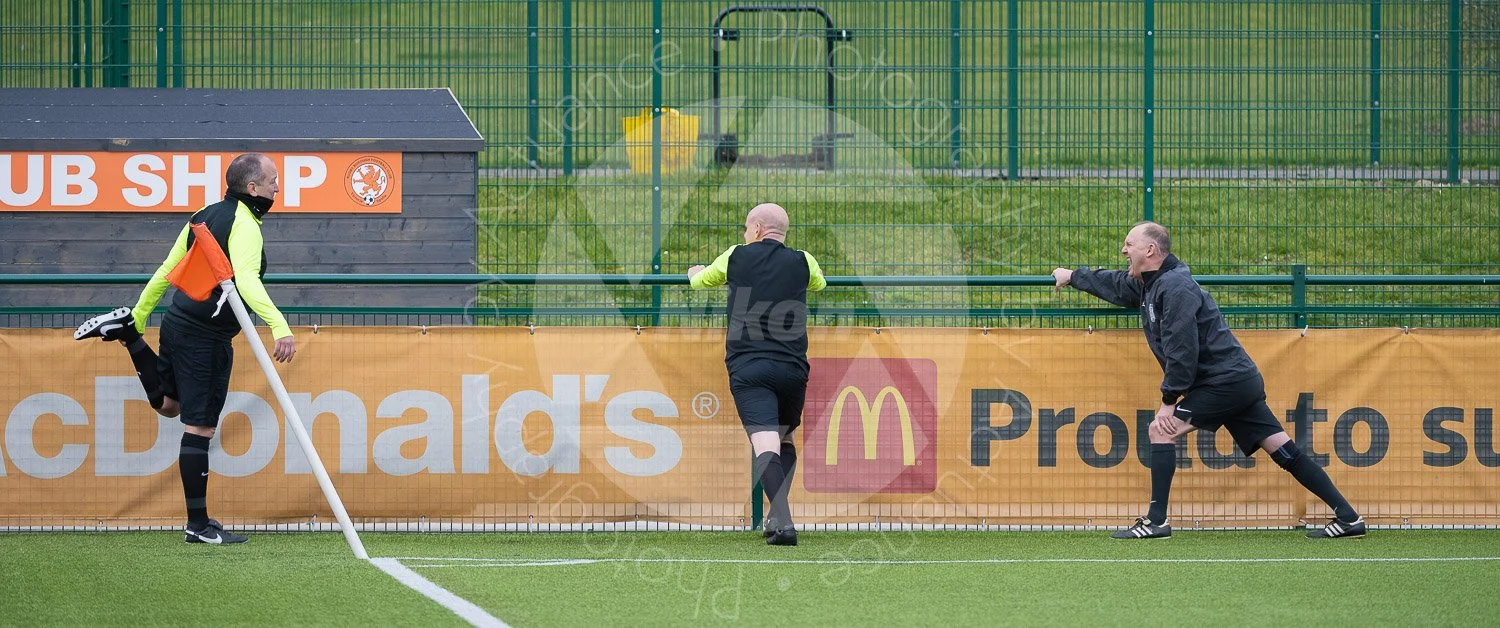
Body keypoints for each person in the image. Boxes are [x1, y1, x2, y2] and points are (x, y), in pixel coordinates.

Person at [1051, 221, 1364, 540]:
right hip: (1236, 382)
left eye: (1129, 244)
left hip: (1225, 384)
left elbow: (1182, 350)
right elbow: (1116, 284)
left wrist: (1169, 402)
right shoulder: (1152, 283)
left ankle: (1156, 522)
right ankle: (1349, 518)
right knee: (1281, 449)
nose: (1123, 250)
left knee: (1160, 430)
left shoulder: (1175, 287)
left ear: (1151, 250)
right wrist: (1073, 276)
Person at [75, 153, 296, 545]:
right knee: (200, 427)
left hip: (176, 323)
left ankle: (129, 336)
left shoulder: (203, 214)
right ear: (253, 188)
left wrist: (139, 318)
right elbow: (247, 281)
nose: (278, 187)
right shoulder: (245, 225)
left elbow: (166, 270)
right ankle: (198, 525)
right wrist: (280, 327)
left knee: (169, 405)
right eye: (273, 180)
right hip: (206, 340)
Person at [688, 203, 827, 546]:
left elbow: (701, 282)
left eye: (747, 228)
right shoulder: (804, 260)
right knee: (785, 439)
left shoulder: (736, 255)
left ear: (757, 229)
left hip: (749, 366)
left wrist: (694, 272)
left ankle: (784, 523)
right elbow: (820, 284)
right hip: (792, 367)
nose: (745, 234)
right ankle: (776, 518)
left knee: (766, 443)